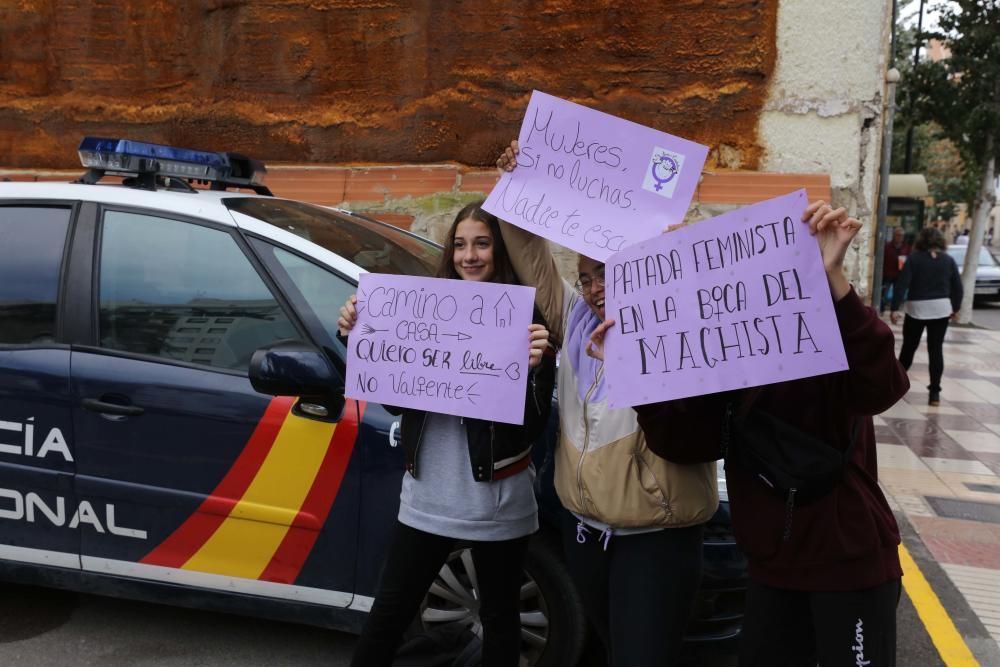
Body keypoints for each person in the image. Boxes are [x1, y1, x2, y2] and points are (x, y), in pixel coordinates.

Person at [588, 200, 910, 667]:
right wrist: (635, 376)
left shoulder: (819, 334)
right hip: (770, 566)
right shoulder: (717, 361)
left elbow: (883, 385)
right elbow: (684, 444)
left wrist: (833, 279)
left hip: (848, 561)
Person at [496, 141, 718, 666]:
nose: (596, 290)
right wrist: (517, 183)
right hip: (585, 531)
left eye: (610, 276)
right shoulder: (574, 324)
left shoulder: (675, 330)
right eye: (587, 277)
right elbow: (531, 254)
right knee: (615, 651)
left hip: (655, 538)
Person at [342, 201, 556, 667]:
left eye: (481, 243)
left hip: (497, 503)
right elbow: (397, 399)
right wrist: (356, 336)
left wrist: (536, 373)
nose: (469, 256)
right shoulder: (422, 309)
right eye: (460, 245)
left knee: (501, 619)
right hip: (427, 498)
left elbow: (533, 427)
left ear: (498, 250)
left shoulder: (525, 317)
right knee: (390, 613)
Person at [890, 226, 963, 406]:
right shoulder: (948, 260)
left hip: (917, 308)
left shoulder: (914, 259)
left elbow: (902, 284)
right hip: (941, 308)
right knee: (935, 349)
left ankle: (894, 387)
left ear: (921, 241)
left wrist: (894, 308)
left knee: (908, 348)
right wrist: (955, 308)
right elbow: (958, 287)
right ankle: (935, 394)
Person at [881, 226, 910, 312]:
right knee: (884, 294)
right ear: (894, 235)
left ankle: (895, 309)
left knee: (898, 293)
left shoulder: (906, 247)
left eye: (901, 235)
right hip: (888, 274)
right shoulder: (887, 246)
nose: (899, 237)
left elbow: (910, 260)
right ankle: (882, 309)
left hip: (900, 275)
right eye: (897, 235)